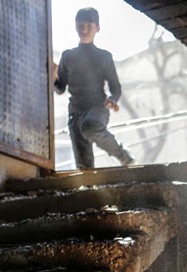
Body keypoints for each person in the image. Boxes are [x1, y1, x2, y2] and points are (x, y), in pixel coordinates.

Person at [54, 7, 134, 169]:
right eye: (80, 25)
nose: (84, 29)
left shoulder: (104, 57)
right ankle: (92, 193)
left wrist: (113, 99)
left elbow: (116, 88)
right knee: (84, 168)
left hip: (98, 109)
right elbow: (60, 88)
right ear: (75, 26)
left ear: (97, 27)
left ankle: (123, 157)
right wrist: (52, 76)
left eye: (89, 25)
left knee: (90, 127)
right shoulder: (68, 56)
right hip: (75, 114)